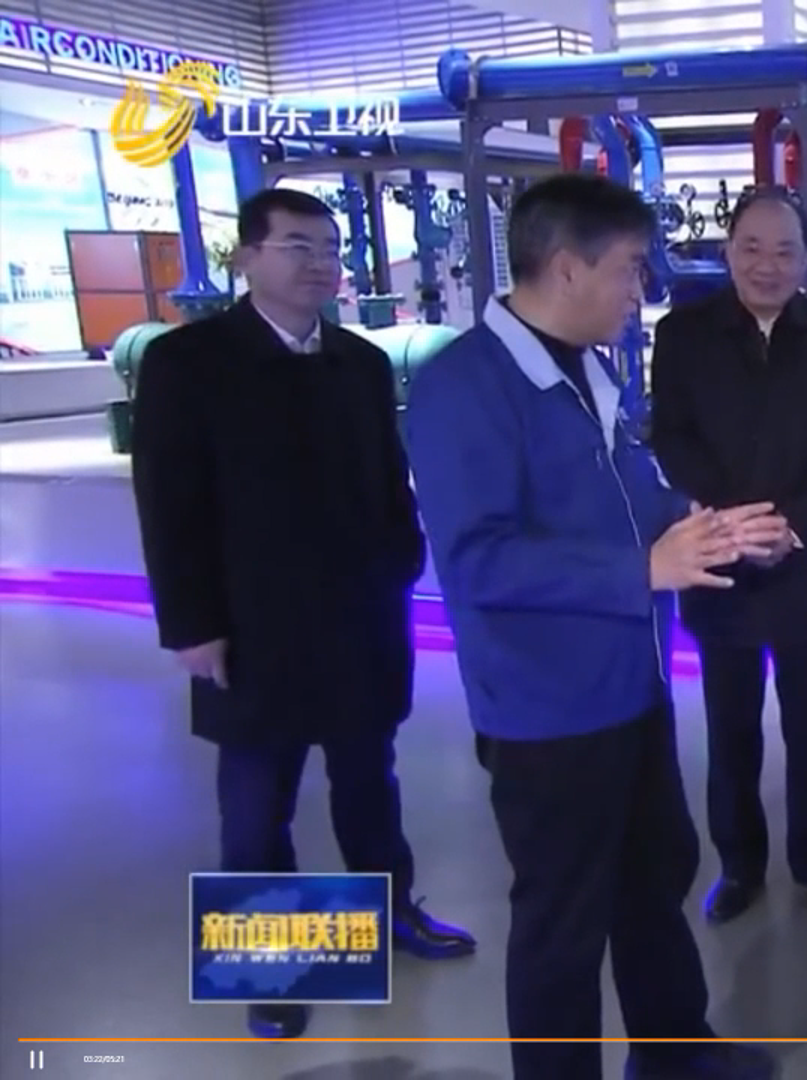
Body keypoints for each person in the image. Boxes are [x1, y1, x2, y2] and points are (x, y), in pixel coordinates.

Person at [403, 174, 783, 1080]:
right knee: (562, 924)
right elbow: (478, 561)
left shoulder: (588, 366)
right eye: (630, 269)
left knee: (655, 882)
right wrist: (640, 570)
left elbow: (633, 496)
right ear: (568, 267)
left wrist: (711, 528)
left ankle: (673, 1053)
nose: (638, 290)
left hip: (631, 689)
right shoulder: (466, 388)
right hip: (546, 714)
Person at [129, 187, 473, 1042]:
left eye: (329, 249)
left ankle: (392, 911)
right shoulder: (188, 362)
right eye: (297, 247)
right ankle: (269, 966)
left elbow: (388, 479)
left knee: (370, 787)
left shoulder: (358, 362)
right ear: (246, 258)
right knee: (256, 808)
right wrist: (191, 623)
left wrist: (404, 560)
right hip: (252, 628)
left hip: (361, 619)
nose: (320, 264)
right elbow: (168, 504)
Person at [649, 188, 807, 924]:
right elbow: (671, 435)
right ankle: (739, 865)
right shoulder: (684, 334)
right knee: (731, 728)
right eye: (751, 247)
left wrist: (793, 525)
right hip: (719, 559)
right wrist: (737, 524)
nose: (767, 264)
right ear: (727, 252)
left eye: (784, 250)